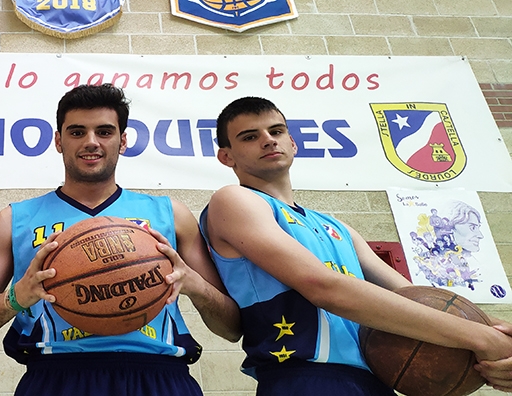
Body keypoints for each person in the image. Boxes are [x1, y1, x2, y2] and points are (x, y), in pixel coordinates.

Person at [199, 96, 512, 395]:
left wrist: (498, 332)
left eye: (277, 131)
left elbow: (416, 299)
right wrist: (480, 337)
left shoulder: (337, 227)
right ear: (226, 156)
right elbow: (323, 287)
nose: (268, 140)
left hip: (376, 380)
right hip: (305, 377)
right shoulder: (233, 200)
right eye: (250, 137)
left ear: (293, 143)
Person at [0, 84, 241, 396]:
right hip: (55, 378)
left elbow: (231, 329)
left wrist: (195, 285)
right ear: (59, 141)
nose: (91, 142)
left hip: (159, 377)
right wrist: (18, 296)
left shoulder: (172, 215)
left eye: (104, 131)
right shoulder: (14, 219)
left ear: (123, 140)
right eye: (76, 132)